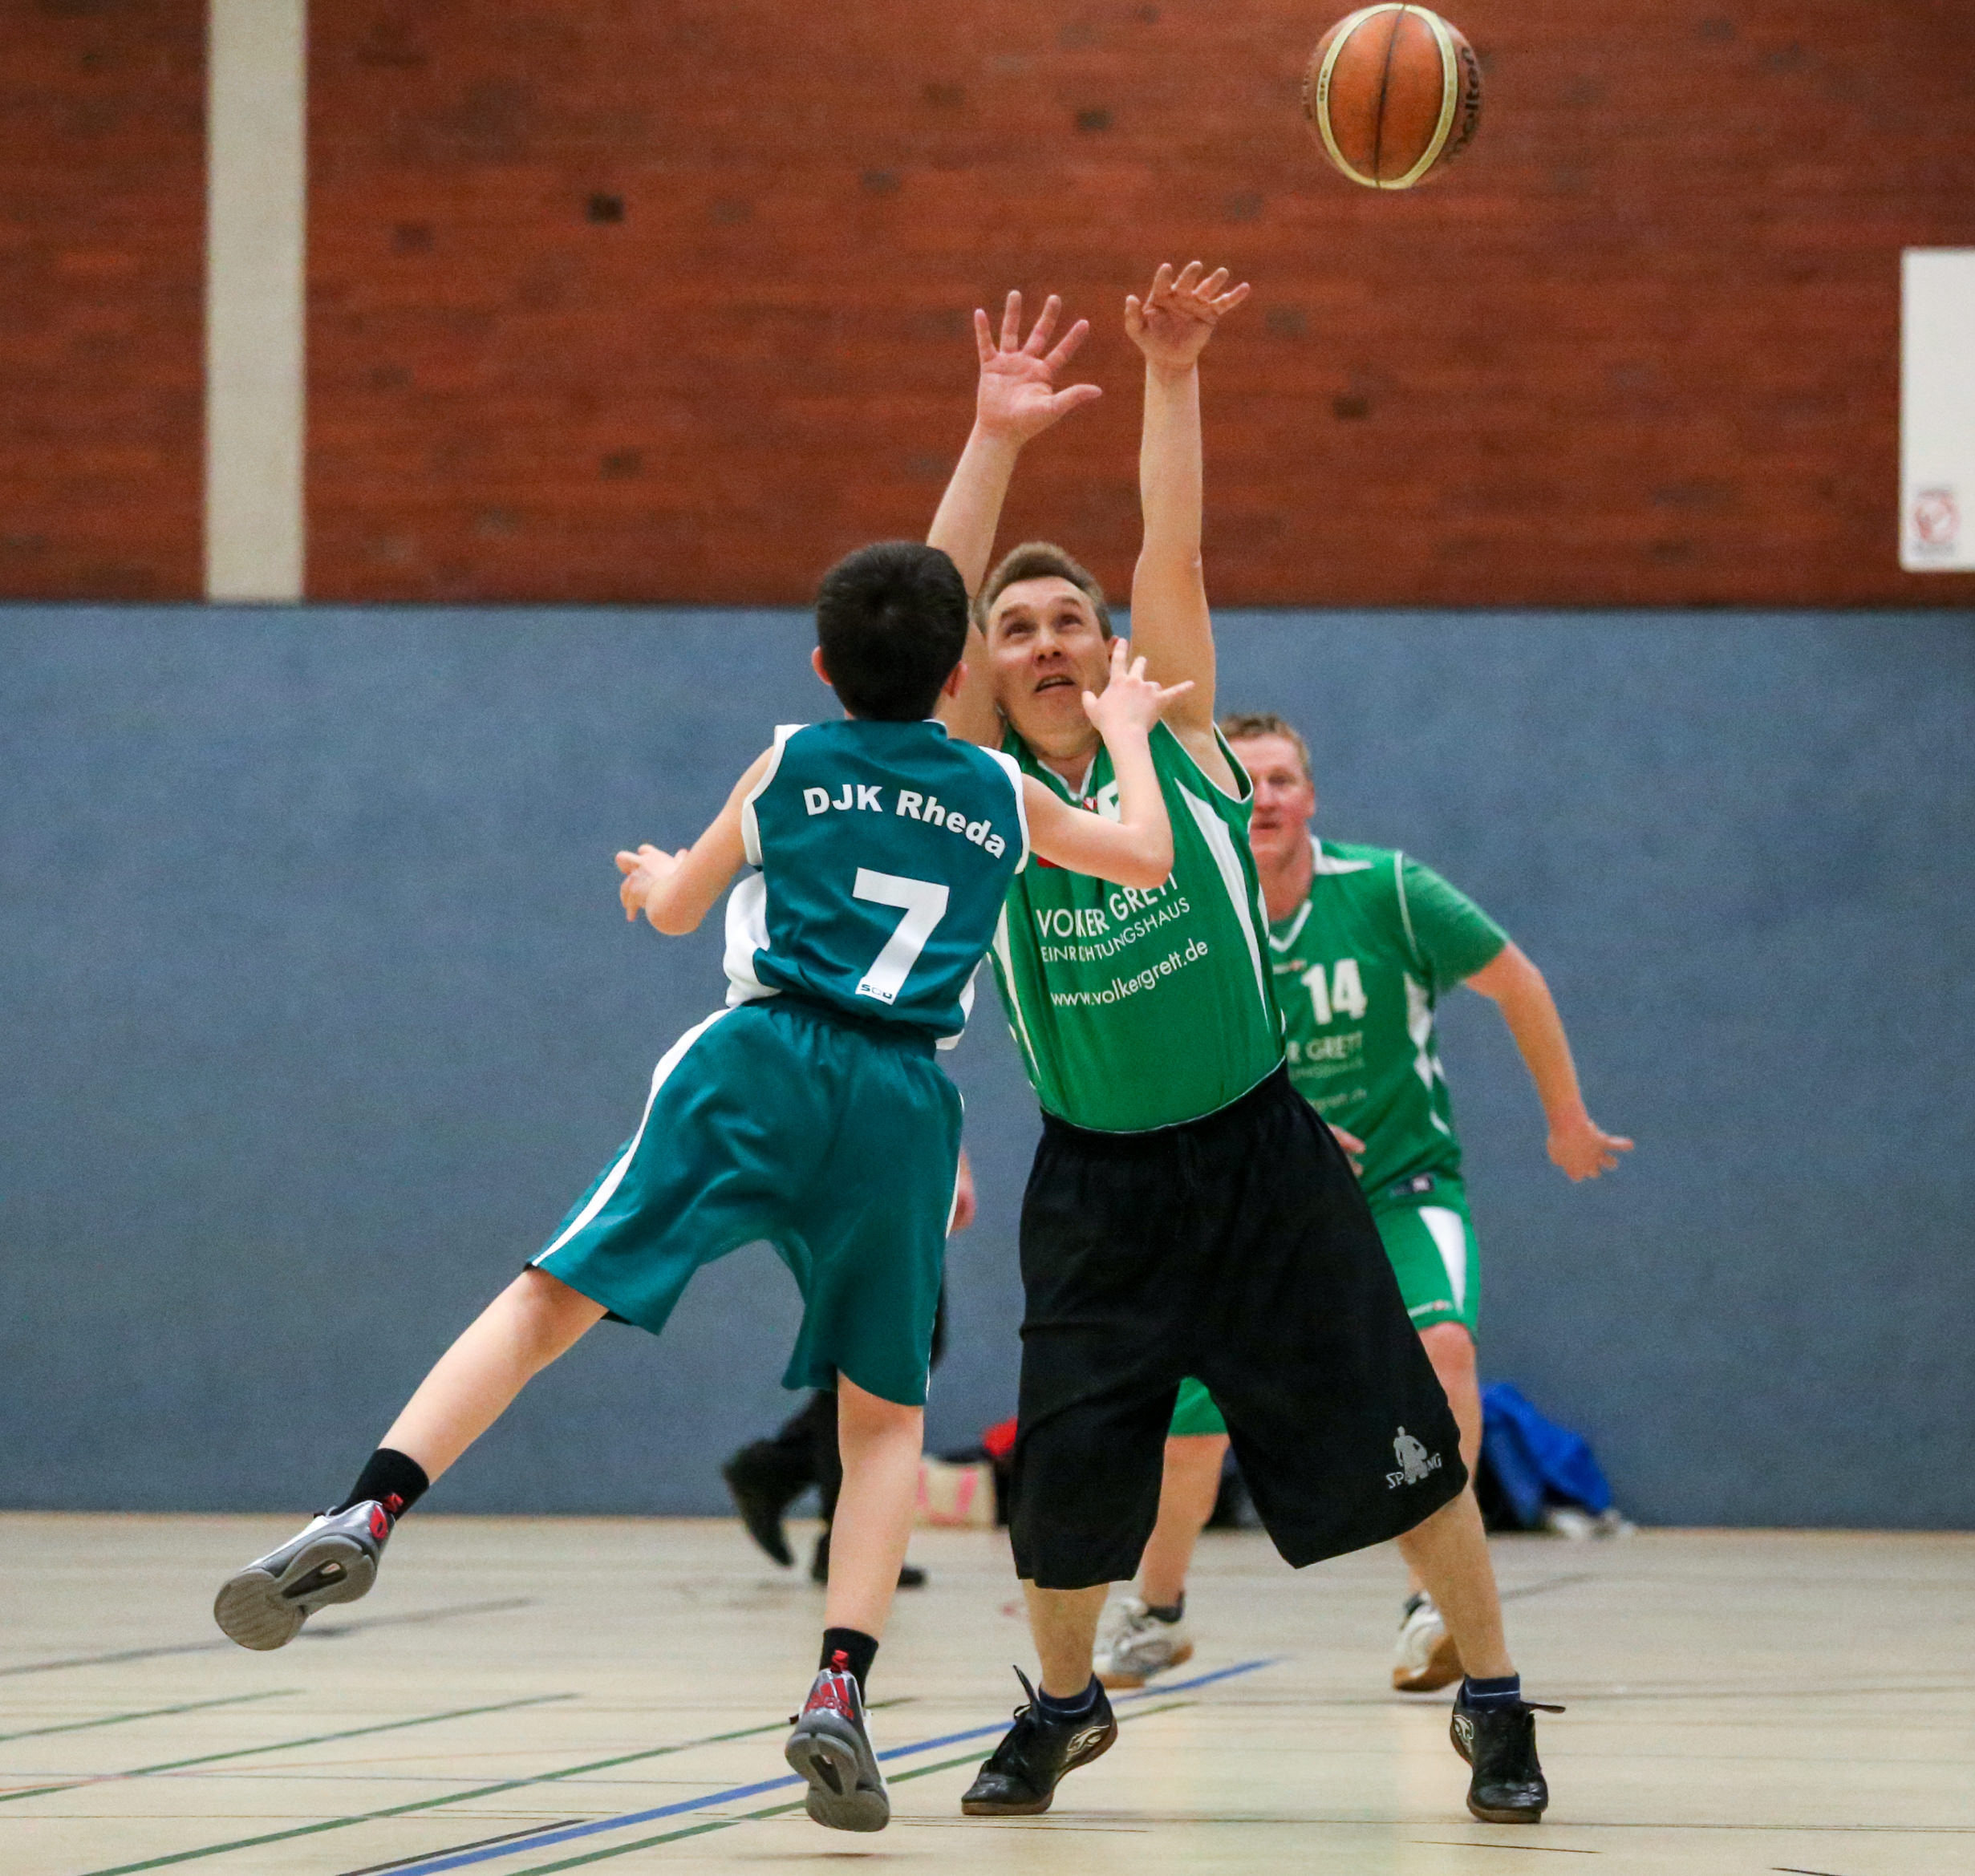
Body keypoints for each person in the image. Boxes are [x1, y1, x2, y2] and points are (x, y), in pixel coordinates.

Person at [209, 518, 1196, 1836]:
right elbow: (1148, 855)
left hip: (759, 1060)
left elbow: (681, 910)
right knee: (882, 1418)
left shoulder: (792, 761)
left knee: (546, 1300)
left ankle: (369, 1506)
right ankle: (839, 1683)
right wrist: (1126, 731)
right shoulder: (1000, 793)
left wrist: (658, 879)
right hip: (902, 1101)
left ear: (822, 666)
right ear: (960, 671)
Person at [921, 261, 1556, 1826]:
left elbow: (1173, 547)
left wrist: (1172, 373)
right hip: (1096, 1183)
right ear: (985, 667)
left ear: (1111, 650)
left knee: (1403, 1442)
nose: (1049, 637)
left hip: (1261, 1156)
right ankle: (1061, 1703)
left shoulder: (1184, 743)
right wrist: (992, 438)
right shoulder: (983, 797)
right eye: (1017, 626)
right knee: (1066, 1476)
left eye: (1071, 619)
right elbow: (931, 603)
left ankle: (1490, 1692)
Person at [1093, 711, 1630, 1696]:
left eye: (1283, 778)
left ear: (1310, 796)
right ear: (1219, 794)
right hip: (1256, 1205)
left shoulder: (1388, 890)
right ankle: (1156, 1612)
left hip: (1398, 1185)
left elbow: (1516, 980)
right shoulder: (1185, 909)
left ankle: (1434, 1604)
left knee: (1443, 1349)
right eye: (1247, 778)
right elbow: (1152, 1056)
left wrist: (1566, 1118)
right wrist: (1280, 1130)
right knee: (1191, 1427)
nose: (1265, 796)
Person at [720, 1162, 971, 1589]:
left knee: (891, 1351)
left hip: (894, 1171)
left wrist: (952, 1161)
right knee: (878, 1356)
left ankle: (779, 1473)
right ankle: (846, 1537)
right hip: (876, 1170)